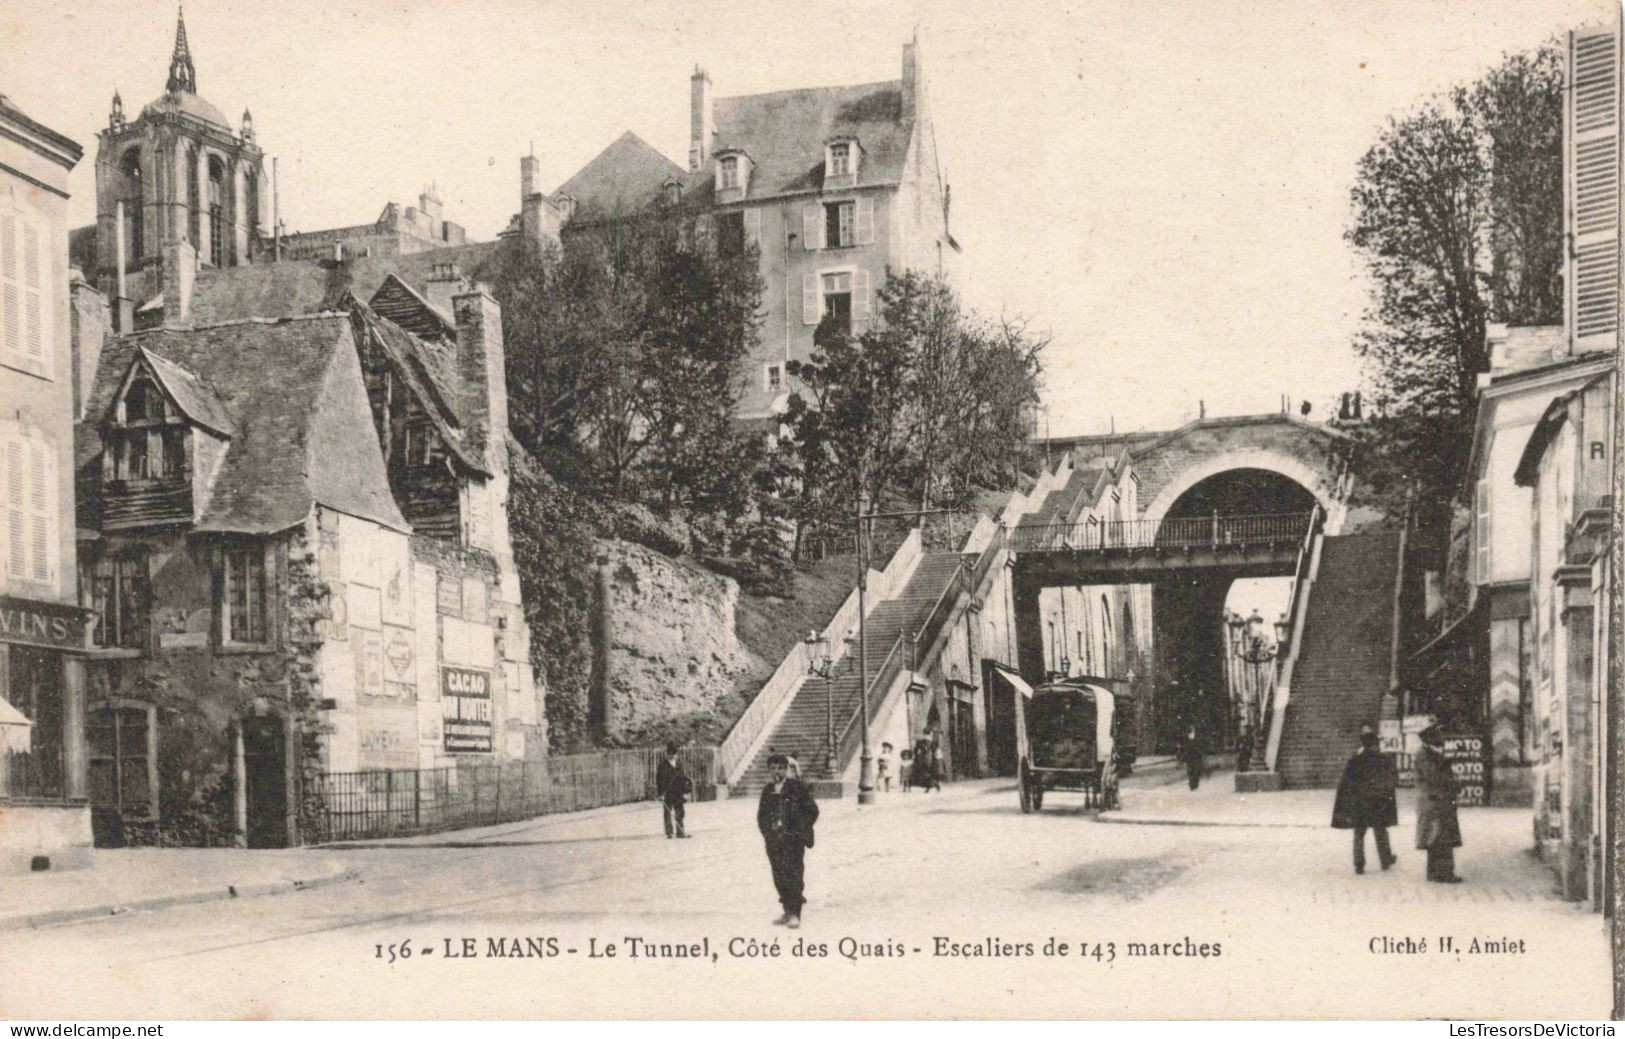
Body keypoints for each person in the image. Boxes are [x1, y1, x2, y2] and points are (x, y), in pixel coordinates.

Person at [757, 753, 818, 928]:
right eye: (772, 768)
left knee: (794, 875)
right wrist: (768, 834)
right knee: (779, 876)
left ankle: (795, 914)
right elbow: (761, 816)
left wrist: (800, 829)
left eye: (780, 768)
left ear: (786, 769)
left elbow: (812, 811)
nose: (776, 771)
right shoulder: (768, 790)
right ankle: (786, 910)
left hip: (793, 841)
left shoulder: (797, 787)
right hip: (774, 842)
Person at [1331, 724, 1398, 874]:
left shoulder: (1355, 760)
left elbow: (1347, 782)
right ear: (1375, 744)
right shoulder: (1383, 759)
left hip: (1360, 803)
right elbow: (1391, 779)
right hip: (1378, 802)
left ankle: (1359, 863)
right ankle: (1385, 860)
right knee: (1380, 831)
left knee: (1359, 833)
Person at [1415, 723, 1463, 883]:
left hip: (1438, 800)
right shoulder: (1424, 755)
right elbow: (1434, 778)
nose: (1442, 737)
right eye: (1438, 734)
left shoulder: (1430, 753)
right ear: (1430, 738)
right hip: (1435, 801)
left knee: (1437, 838)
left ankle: (1435, 872)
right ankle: (1444, 873)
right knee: (1440, 838)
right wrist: (1453, 784)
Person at [655, 741, 692, 839]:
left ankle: (680, 832)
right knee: (667, 812)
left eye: (674, 754)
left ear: (676, 755)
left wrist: (686, 791)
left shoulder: (679, 764)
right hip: (668, 792)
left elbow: (683, 778)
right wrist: (661, 794)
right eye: (670, 754)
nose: (672, 756)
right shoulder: (662, 765)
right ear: (667, 754)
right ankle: (669, 832)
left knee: (680, 812)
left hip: (678, 792)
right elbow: (659, 780)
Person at [1180, 725, 1205, 790]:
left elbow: (1200, 749)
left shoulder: (1197, 741)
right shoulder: (1187, 742)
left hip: (1196, 759)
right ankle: (1192, 785)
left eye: (1192, 733)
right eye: (1190, 734)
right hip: (1190, 759)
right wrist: (1183, 759)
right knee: (1191, 772)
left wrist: (1200, 756)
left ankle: (1195, 785)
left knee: (1196, 772)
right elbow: (1185, 751)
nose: (1191, 735)